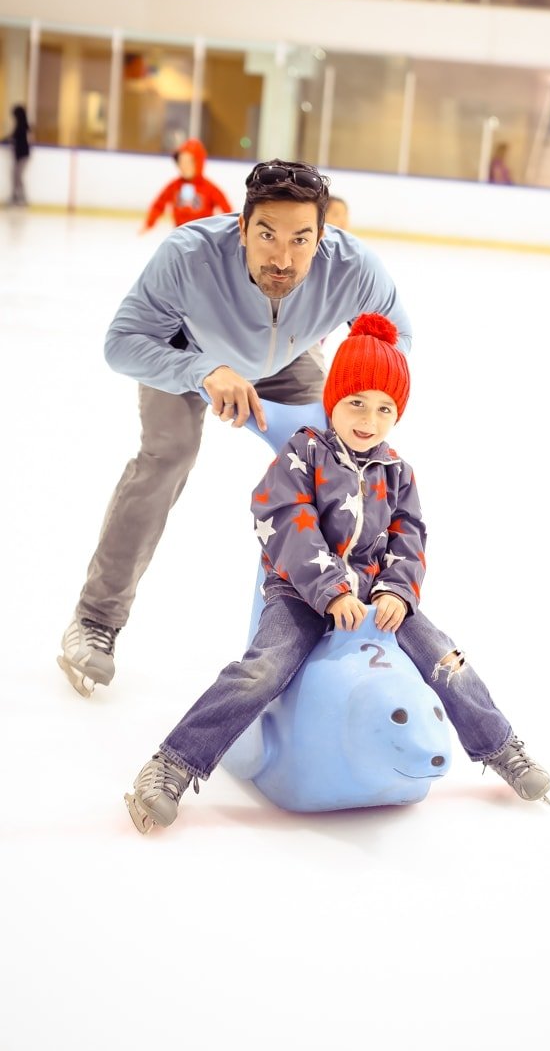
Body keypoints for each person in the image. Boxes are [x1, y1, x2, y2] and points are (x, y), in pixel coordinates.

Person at [123, 313, 550, 833]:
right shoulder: (304, 453)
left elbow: (409, 535)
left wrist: (396, 590)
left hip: (376, 593)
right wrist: (329, 591)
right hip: (301, 593)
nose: (368, 419)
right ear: (334, 400)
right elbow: (284, 520)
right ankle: (172, 765)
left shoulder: (398, 472)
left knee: (447, 659)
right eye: (356, 402)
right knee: (262, 670)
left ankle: (502, 747)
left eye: (384, 408)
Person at [58, 159, 412, 698]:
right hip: (185, 354)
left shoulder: (351, 266)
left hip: (287, 362)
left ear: (323, 236)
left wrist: (360, 388)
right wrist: (201, 372)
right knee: (167, 457)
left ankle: (330, 612)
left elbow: (396, 337)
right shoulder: (188, 255)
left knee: (340, 458)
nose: (283, 256)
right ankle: (95, 619)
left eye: (301, 239)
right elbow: (122, 342)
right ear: (241, 226)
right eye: (266, 234)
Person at [139, 137, 231, 232]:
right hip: (180, 235)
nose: (184, 166)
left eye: (188, 162)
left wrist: (232, 231)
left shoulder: (210, 188)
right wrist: (149, 223)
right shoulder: (174, 186)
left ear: (198, 163)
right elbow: (159, 205)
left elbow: (227, 210)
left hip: (203, 236)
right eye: (181, 162)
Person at [2, 103, 33, 206]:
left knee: (17, 176)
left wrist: (4, 140)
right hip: (19, 154)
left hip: (23, 154)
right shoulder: (21, 125)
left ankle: (21, 197)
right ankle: (15, 196)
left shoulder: (23, 126)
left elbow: (14, 136)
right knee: (15, 175)